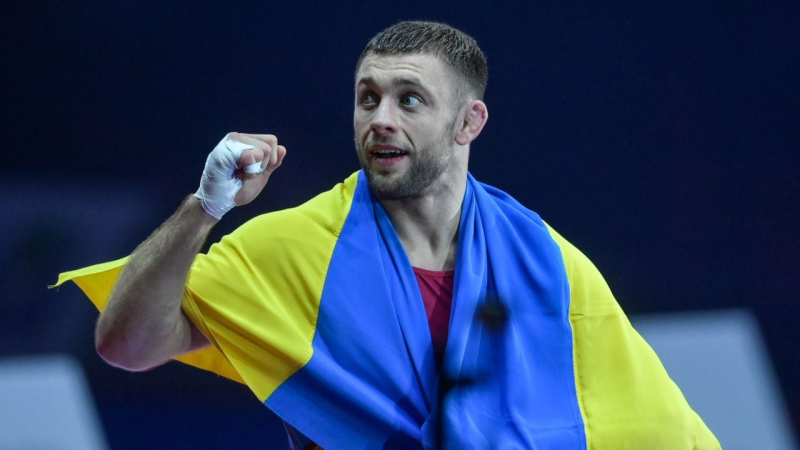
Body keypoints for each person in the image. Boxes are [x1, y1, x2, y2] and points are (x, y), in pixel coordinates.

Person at [56, 21, 720, 449]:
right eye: (367, 96)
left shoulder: (546, 261)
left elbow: (648, 424)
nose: (380, 118)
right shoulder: (293, 246)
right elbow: (126, 347)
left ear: (469, 123)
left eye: (410, 99)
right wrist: (203, 208)